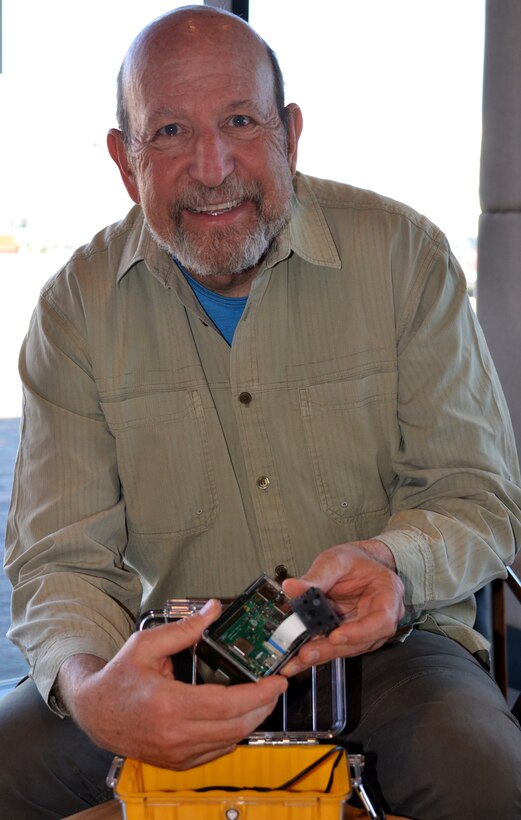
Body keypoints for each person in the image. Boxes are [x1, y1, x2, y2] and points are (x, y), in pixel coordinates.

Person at [2, 5, 521, 818]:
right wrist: (93, 688)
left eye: (239, 121)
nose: (212, 167)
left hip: (388, 647)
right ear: (122, 159)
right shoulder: (76, 307)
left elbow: (477, 497)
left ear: (289, 133)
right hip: (170, 653)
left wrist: (393, 566)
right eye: (169, 131)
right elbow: (59, 561)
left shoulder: (403, 256)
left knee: (487, 774)